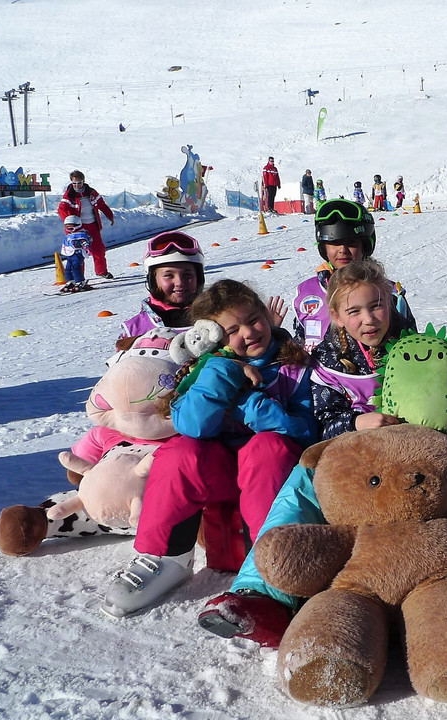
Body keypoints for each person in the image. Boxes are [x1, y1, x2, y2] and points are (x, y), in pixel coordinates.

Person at [198, 260, 417, 646]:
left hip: (408, 455)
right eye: (354, 311)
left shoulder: (417, 349)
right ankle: (261, 593)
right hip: (348, 455)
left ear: (391, 303)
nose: (369, 319)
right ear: (335, 316)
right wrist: (354, 423)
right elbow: (322, 418)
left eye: (377, 306)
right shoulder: (327, 361)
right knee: (300, 484)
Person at [101, 280, 317, 617]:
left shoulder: (293, 366)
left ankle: (270, 563)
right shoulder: (202, 371)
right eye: (232, 329)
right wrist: (222, 370)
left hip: (272, 474)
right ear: (212, 336)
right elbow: (194, 426)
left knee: (269, 447)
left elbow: (305, 430)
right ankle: (164, 555)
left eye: (253, 319)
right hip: (221, 474)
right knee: (180, 451)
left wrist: (246, 403)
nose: (249, 332)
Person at [290, 198, 414, 352]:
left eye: (351, 242)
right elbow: (299, 346)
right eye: (334, 243)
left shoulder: (389, 292)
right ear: (324, 247)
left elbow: (410, 345)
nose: (342, 250)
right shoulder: (307, 293)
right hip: (321, 374)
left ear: (365, 245)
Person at [119, 231, 205, 338]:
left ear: (199, 278)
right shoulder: (134, 330)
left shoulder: (217, 318)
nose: (179, 282)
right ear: (153, 280)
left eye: (187, 275)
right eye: (168, 275)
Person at [57, 170, 115, 279]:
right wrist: (69, 222)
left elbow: (102, 205)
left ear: (83, 181)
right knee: (79, 253)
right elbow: (62, 209)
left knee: (99, 250)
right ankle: (78, 276)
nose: (77, 185)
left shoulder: (91, 192)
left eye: (79, 182)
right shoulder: (69, 195)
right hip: (78, 229)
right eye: (74, 183)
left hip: (92, 226)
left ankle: (101, 271)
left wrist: (110, 216)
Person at [59, 215, 92, 293]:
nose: (69, 229)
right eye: (67, 227)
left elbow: (84, 241)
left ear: (78, 225)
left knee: (75, 268)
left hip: (77, 254)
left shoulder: (81, 234)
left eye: (71, 227)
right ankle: (70, 281)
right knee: (67, 269)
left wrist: (86, 246)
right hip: (70, 254)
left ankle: (80, 282)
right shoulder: (70, 235)